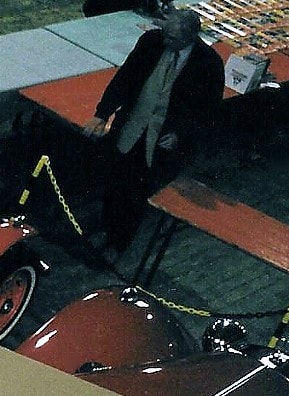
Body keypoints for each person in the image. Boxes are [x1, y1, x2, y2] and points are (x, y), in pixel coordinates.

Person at [82, 8, 223, 254]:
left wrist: (180, 133)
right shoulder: (151, 42)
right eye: (165, 33)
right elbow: (125, 78)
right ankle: (107, 228)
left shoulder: (208, 63)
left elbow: (208, 110)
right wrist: (102, 113)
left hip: (160, 143)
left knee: (137, 193)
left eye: (172, 38)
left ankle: (119, 242)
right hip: (130, 129)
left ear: (190, 38)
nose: (165, 40)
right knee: (114, 181)